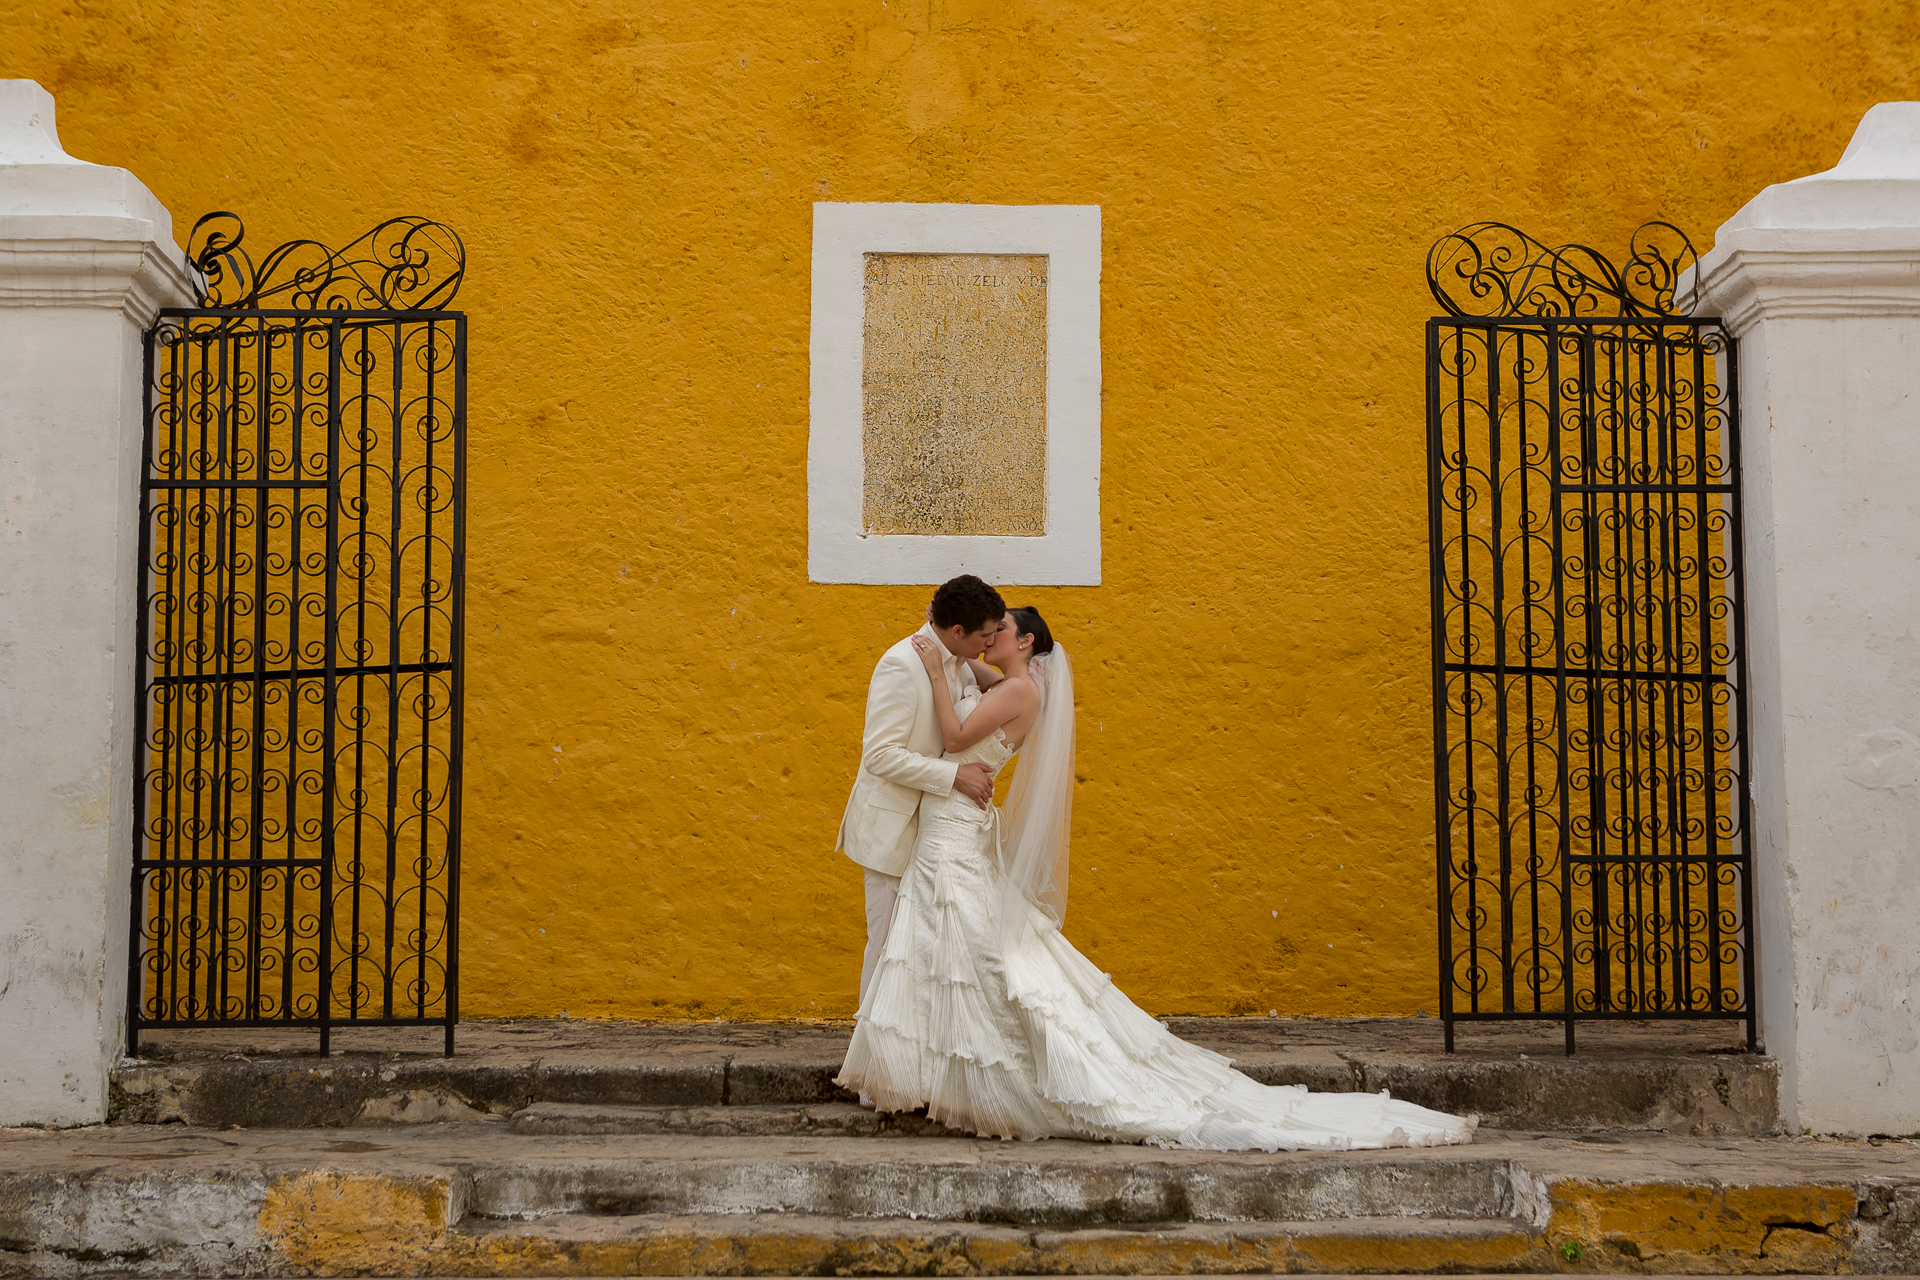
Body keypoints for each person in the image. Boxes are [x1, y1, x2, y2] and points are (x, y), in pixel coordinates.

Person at [837, 607, 1477, 1151]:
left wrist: (928, 665)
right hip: (954, 827)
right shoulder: (1009, 679)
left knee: (969, 949)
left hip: (955, 821)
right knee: (947, 947)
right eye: (980, 630)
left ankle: (954, 1070)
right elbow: (965, 669)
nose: (985, 636)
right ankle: (918, 1068)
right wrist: (941, 654)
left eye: (997, 628)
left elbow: (952, 728)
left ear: (1026, 642)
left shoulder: (1018, 689)